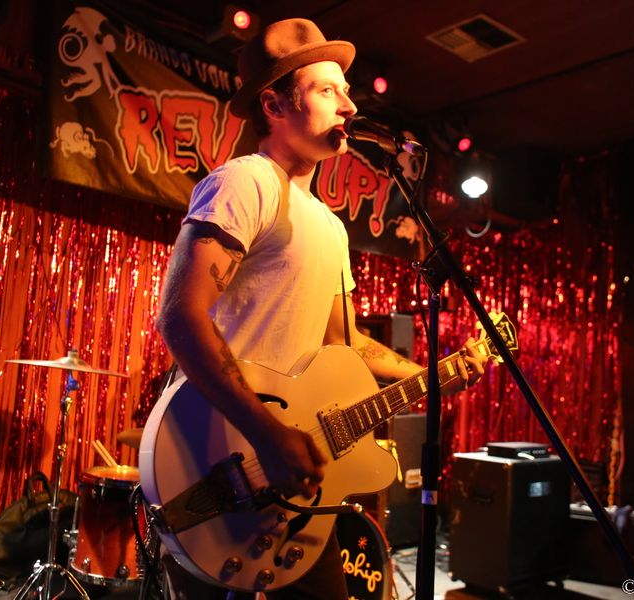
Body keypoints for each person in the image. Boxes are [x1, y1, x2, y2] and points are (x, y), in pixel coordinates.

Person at [155, 18, 488, 600]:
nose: (349, 105)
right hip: (224, 461)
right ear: (274, 104)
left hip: (297, 487)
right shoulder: (247, 182)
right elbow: (180, 317)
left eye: (347, 91)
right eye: (328, 90)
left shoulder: (332, 227)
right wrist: (266, 434)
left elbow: (344, 345)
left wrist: (431, 376)